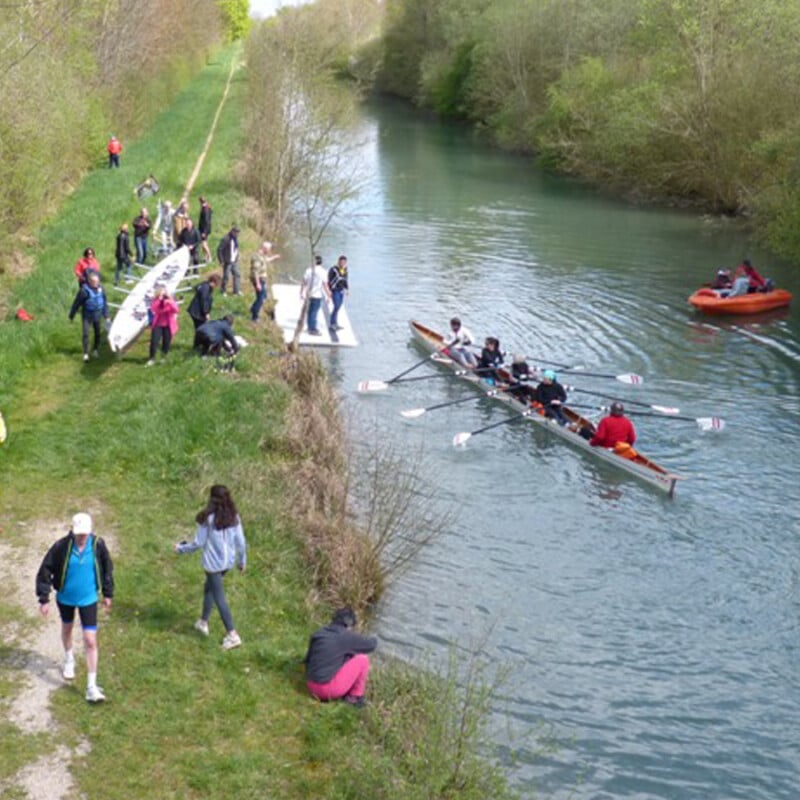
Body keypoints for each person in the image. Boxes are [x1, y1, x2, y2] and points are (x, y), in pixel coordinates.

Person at [36, 512, 114, 703]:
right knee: (67, 628)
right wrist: (44, 598)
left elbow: (107, 568)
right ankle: (69, 659)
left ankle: (91, 686)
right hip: (66, 599)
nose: (82, 537)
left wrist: (108, 593)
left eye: (85, 534)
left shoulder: (98, 545)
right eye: (79, 534)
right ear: (72, 531)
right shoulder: (61, 547)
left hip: (88, 599)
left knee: (90, 639)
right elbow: (45, 569)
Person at [174, 485, 246, 651]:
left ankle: (232, 634)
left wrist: (180, 548)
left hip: (213, 565)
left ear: (211, 499)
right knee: (210, 589)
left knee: (219, 597)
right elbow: (241, 543)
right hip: (227, 563)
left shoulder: (207, 518)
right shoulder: (235, 517)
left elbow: (198, 543)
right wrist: (242, 562)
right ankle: (203, 622)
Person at [304, 607, 377, 708]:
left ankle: (348, 693)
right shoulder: (346, 636)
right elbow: (371, 645)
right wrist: (374, 637)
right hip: (326, 690)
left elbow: (307, 659)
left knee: (346, 655)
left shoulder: (319, 633)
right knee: (362, 659)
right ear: (348, 624)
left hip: (310, 685)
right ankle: (354, 697)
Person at [69, 271, 109, 361]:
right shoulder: (84, 291)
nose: (96, 284)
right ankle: (86, 353)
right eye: (94, 282)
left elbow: (105, 303)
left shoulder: (101, 289)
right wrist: (72, 315)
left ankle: (95, 349)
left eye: (97, 282)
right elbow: (76, 303)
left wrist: (106, 316)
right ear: (89, 282)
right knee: (86, 333)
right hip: (87, 315)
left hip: (98, 314)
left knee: (97, 333)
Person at [147, 283, 179, 366]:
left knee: (166, 342)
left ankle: (163, 357)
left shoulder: (170, 300)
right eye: (161, 291)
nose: (162, 293)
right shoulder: (156, 300)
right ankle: (152, 358)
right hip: (158, 324)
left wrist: (170, 302)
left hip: (168, 325)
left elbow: (176, 310)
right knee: (154, 341)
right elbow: (155, 309)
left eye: (164, 291)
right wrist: (161, 302)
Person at [301, 255, 331, 335]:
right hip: (317, 294)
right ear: (321, 262)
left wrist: (301, 292)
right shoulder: (323, 272)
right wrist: (329, 295)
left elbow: (304, 282)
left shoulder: (308, 270)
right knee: (314, 311)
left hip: (308, 293)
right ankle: (312, 328)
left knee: (310, 311)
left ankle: (309, 326)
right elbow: (325, 284)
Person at [250, 241, 280, 321]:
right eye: (269, 249)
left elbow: (265, 261)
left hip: (261, 280)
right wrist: (258, 284)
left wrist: (274, 257)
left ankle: (253, 308)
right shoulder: (257, 257)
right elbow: (255, 271)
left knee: (263, 296)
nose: (269, 251)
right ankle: (254, 316)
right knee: (261, 298)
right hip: (259, 280)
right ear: (265, 248)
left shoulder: (261, 256)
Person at [187, 274, 220, 346]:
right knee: (202, 329)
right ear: (213, 282)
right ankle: (199, 345)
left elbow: (196, 288)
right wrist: (206, 313)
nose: (216, 287)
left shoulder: (204, 285)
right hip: (197, 312)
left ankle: (198, 345)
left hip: (196, 311)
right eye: (216, 284)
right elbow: (204, 300)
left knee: (200, 329)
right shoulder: (206, 288)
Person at [217, 225, 241, 295]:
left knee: (237, 275)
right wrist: (221, 260)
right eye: (236, 232)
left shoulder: (236, 239)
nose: (237, 234)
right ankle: (223, 290)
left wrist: (237, 256)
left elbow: (236, 249)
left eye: (238, 233)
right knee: (226, 276)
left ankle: (236, 291)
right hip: (227, 261)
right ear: (232, 231)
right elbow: (219, 250)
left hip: (234, 261)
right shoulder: (226, 239)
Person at [327, 255, 349, 330]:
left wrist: (347, 289)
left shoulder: (345, 269)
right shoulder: (333, 269)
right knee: (336, 306)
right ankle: (332, 323)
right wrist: (329, 291)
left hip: (341, 290)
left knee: (338, 306)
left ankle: (335, 322)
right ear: (338, 261)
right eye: (341, 262)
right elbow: (329, 280)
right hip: (335, 290)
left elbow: (345, 280)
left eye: (344, 262)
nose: (343, 263)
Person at [198, 196, 213, 263]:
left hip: (204, 230)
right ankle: (206, 257)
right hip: (204, 229)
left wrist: (204, 232)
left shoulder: (205, 209)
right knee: (203, 243)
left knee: (204, 244)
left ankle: (209, 257)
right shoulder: (207, 207)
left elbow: (206, 221)